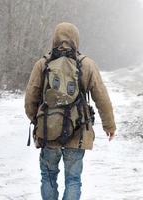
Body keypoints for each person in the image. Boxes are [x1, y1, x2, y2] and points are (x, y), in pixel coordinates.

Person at [24, 22, 116, 200]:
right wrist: (109, 125)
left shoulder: (43, 63)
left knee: (48, 176)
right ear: (76, 39)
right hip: (78, 132)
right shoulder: (87, 64)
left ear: (55, 38)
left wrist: (39, 120)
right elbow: (101, 97)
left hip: (48, 132)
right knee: (73, 180)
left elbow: (30, 99)